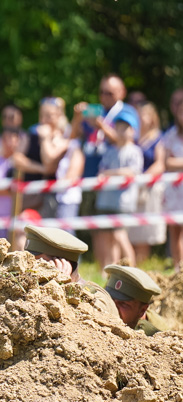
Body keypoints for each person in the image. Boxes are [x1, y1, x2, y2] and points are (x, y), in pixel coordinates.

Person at [23, 224, 116, 316]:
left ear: (62, 264)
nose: (29, 267)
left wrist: (60, 287)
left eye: (37, 262)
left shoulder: (96, 299)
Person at [93, 107, 142, 269]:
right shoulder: (109, 151)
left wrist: (110, 174)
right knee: (106, 237)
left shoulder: (135, 151)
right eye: (118, 127)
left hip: (123, 202)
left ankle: (132, 270)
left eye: (125, 127)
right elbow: (101, 172)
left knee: (120, 236)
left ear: (133, 131)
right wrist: (111, 174)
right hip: (105, 200)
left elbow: (131, 173)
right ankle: (109, 270)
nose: (121, 131)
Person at [72, 74, 138, 180]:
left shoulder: (127, 112)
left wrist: (102, 126)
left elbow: (128, 141)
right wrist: (77, 118)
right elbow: (73, 138)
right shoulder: (95, 111)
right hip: (88, 172)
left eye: (109, 93)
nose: (104, 96)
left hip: (112, 174)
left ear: (122, 92)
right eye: (101, 92)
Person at [129, 102, 167, 264]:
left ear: (152, 118)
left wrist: (142, 179)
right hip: (132, 189)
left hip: (149, 188)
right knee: (131, 230)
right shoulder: (134, 138)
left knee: (144, 232)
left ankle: (142, 266)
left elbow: (160, 164)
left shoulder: (158, 137)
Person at [103, 264, 162, 334]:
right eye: (110, 299)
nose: (113, 306)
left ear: (142, 311)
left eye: (123, 304)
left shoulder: (151, 337)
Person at [163, 95, 183, 272]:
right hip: (175, 191)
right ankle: (178, 269)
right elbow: (167, 162)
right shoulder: (170, 135)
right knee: (175, 231)